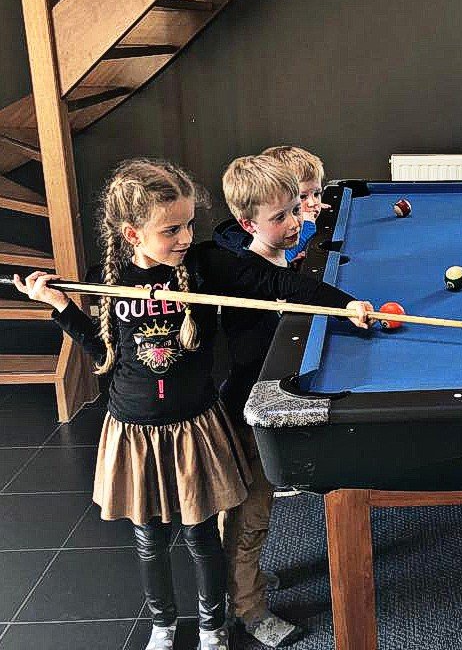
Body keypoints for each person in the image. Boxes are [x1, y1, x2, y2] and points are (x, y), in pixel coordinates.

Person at [13, 158, 372, 650]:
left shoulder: (203, 266)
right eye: (171, 230)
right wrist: (62, 309)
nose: (185, 237)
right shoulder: (108, 279)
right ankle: (162, 626)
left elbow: (278, 283)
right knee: (150, 540)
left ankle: (212, 627)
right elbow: (104, 354)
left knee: (201, 534)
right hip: (134, 430)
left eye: (187, 225)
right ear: (132, 234)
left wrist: (342, 303)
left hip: (194, 425)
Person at [213, 154, 327, 646]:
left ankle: (246, 580)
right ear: (248, 224)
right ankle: (249, 609)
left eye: (296, 209)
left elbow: (291, 274)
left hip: (258, 402)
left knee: (255, 515)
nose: (295, 222)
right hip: (247, 410)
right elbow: (254, 345)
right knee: (251, 516)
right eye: (281, 216)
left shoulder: (277, 258)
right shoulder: (247, 276)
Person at [260, 145, 327, 263]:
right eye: (302, 197)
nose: (313, 203)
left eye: (316, 194)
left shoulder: (311, 205)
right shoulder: (271, 228)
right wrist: (308, 225)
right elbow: (284, 258)